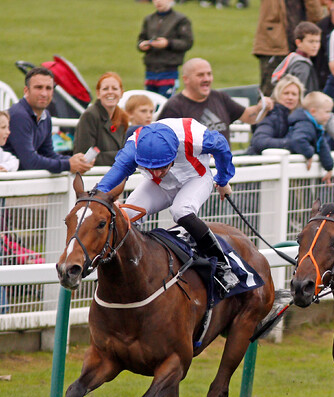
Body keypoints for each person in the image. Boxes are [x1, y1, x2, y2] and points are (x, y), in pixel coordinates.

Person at [94, 119, 239, 294]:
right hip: (159, 185)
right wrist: (95, 196)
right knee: (126, 215)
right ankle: (124, 268)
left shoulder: (194, 137)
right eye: (150, 167)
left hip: (196, 177)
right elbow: (110, 179)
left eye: (161, 167)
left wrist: (222, 180)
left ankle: (222, 266)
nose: (155, 171)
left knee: (180, 210)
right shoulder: (133, 148)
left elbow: (221, 146)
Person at [158, 58, 274, 143]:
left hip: (223, 169)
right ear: (186, 79)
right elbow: (161, 140)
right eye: (200, 75)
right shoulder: (174, 106)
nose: (206, 79)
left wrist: (261, 107)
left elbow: (249, 117)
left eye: (209, 74)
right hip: (194, 173)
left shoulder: (219, 97)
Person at [2, 67, 92, 175]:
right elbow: (29, 162)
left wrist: (76, 161)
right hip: (9, 181)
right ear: (26, 90)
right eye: (38, 87)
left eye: (48, 88)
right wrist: (68, 164)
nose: (44, 93)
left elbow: (48, 154)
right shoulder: (19, 116)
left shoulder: (46, 116)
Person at [252, 0, 324, 96]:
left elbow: (316, 13)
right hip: (276, 43)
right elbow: (316, 13)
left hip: (294, 37)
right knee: (272, 94)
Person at [137, 0, 194, 98]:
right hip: (150, 69)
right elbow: (141, 39)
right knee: (150, 102)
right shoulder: (149, 19)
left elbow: (187, 42)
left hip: (169, 70)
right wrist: (142, 45)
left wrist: (168, 43)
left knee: (165, 103)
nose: (158, 2)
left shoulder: (181, 20)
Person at [73, 73, 129, 166]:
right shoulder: (90, 115)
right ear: (98, 93)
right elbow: (84, 157)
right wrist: (123, 156)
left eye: (114, 88)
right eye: (105, 89)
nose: (110, 92)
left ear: (121, 93)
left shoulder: (122, 117)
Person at [287, 91, 334, 185]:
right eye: (327, 112)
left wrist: (329, 167)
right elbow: (298, 140)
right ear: (313, 112)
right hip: (292, 168)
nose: (329, 116)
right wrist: (309, 154)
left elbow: (321, 145)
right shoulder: (305, 125)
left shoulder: (316, 127)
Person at [249, 74, 305, 154]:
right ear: (278, 95)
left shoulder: (301, 117)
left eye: (294, 94)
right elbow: (259, 141)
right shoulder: (271, 114)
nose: (290, 97)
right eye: (286, 93)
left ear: (299, 98)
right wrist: (291, 144)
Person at [270, 21, 323, 93]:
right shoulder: (301, 65)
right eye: (311, 41)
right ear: (298, 43)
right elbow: (298, 92)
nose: (315, 46)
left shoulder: (293, 57)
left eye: (317, 41)